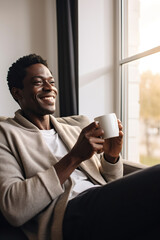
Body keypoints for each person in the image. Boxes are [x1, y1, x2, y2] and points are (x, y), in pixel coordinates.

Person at [0, 54, 159, 240]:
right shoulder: (6, 134)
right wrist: (74, 157)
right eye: (38, 82)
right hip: (67, 216)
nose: (49, 88)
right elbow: (14, 208)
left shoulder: (74, 130)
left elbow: (110, 183)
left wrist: (111, 157)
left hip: (100, 203)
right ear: (17, 92)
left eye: (51, 82)